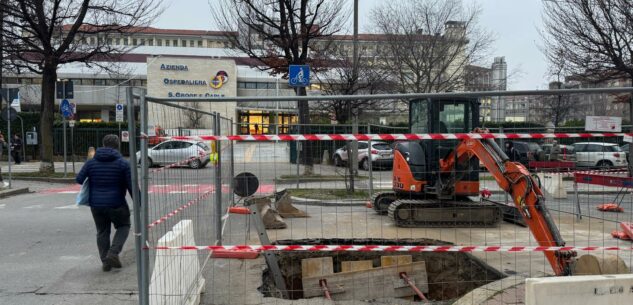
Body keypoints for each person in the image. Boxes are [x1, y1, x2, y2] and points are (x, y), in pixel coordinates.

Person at [76, 134, 133, 272]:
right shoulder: (123, 163)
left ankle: (105, 261)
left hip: (96, 205)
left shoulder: (91, 162)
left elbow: (79, 179)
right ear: (118, 145)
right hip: (117, 203)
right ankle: (113, 253)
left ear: (103, 144)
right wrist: (140, 202)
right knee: (124, 226)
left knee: (102, 231)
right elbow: (131, 185)